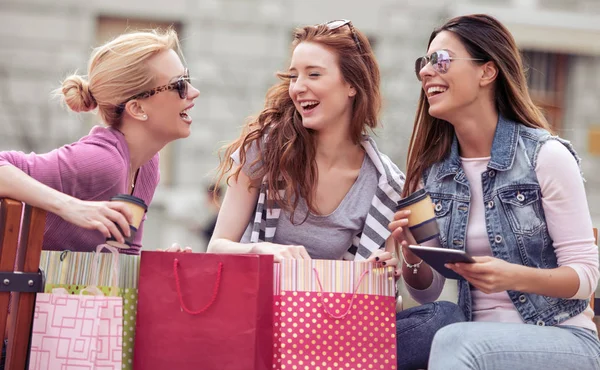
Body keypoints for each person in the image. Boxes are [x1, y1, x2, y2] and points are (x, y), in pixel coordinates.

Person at [207, 20, 464, 369]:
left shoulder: (388, 183)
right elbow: (216, 248)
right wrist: (263, 249)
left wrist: (398, 261)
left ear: (351, 86)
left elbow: (427, 291)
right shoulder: (264, 150)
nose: (298, 87)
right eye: (294, 75)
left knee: (444, 317)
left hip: (336, 329)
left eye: (314, 74)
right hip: (262, 321)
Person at [390, 14, 600, 369]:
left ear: (487, 72)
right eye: (422, 63)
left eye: (440, 59)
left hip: (560, 337)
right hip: (466, 342)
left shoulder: (545, 157)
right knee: (423, 335)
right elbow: (429, 292)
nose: (426, 72)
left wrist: (511, 275)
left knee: (454, 339)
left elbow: (585, 278)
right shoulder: (432, 175)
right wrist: (410, 256)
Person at [0, 28, 200, 255]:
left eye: (188, 79)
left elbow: (121, 262)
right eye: (180, 85)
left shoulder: (147, 166)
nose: (194, 92)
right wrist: (69, 206)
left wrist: (159, 266)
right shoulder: (101, 161)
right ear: (137, 108)